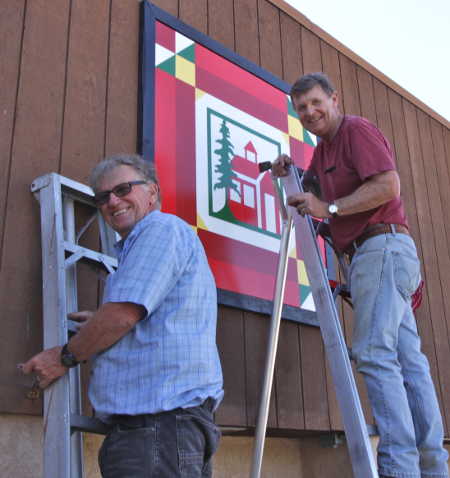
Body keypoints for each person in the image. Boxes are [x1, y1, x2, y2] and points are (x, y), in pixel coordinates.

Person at [273, 72, 449, 478]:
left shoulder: (355, 130)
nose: (310, 112)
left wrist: (330, 210)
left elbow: (388, 185)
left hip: (381, 248)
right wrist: (291, 171)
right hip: (379, 255)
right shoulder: (324, 150)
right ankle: (432, 466)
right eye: (301, 108)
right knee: (408, 360)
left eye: (316, 103)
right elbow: (315, 188)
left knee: (373, 352)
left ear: (335, 99)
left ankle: (400, 467)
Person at [22, 154, 224, 477]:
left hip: (157, 430)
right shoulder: (158, 240)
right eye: (103, 197)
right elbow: (133, 318)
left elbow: (122, 316)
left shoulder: (159, 229)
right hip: (166, 430)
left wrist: (62, 358)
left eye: (124, 189)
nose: (112, 201)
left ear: (152, 193)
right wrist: (101, 323)